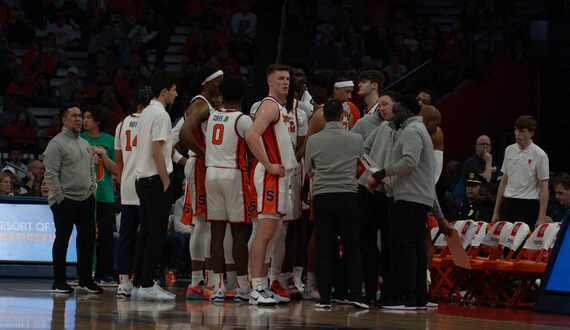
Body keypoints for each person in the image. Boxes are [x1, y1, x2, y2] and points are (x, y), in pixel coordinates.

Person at [366, 94, 436, 309]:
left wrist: (381, 174)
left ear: (407, 111)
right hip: (417, 195)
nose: (392, 115)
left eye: (396, 111)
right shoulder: (416, 129)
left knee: (403, 247)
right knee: (414, 246)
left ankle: (405, 297)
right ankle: (418, 297)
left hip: (409, 196)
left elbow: (410, 161)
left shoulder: (412, 130)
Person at [304, 100, 368, 309]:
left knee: (323, 246)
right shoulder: (356, 138)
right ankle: (356, 296)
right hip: (347, 194)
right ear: (344, 116)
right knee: (352, 246)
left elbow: (309, 169)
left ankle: (324, 299)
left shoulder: (313, 140)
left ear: (323, 117)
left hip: (322, 195)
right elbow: (361, 165)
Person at [245, 64, 297, 305]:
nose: (286, 82)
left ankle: (263, 285)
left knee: (272, 234)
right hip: (269, 176)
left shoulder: (280, 107)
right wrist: (267, 164)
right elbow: (251, 135)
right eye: (281, 79)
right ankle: (256, 287)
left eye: (287, 78)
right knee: (264, 233)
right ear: (270, 82)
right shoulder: (268, 105)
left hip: (279, 176)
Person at [43, 104, 101, 294]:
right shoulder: (56, 144)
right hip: (65, 200)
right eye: (74, 116)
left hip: (85, 198)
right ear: (64, 120)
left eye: (81, 116)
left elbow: (91, 171)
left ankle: (85, 280)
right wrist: (59, 197)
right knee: (62, 240)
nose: (79, 119)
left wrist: (93, 190)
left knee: (88, 239)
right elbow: (50, 174)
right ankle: (58, 282)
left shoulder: (84, 143)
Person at [204, 77, 252, 302]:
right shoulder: (242, 119)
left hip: (211, 172)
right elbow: (253, 148)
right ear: (242, 97)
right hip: (233, 173)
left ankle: (218, 286)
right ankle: (243, 287)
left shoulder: (212, 116)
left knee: (216, 235)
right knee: (239, 234)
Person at [132, 71, 177, 301]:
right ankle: (148, 283)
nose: (176, 94)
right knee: (156, 235)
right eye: (174, 89)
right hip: (155, 179)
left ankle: (139, 282)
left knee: (145, 233)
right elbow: (157, 149)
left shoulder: (146, 112)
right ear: (164, 91)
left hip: (141, 179)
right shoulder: (161, 115)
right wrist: (166, 179)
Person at [179, 65, 223, 300]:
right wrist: (204, 154)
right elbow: (184, 133)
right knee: (201, 222)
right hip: (199, 165)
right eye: (219, 80)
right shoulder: (200, 103)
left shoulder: (208, 104)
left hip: (204, 165)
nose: (223, 83)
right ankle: (196, 282)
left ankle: (204, 280)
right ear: (207, 83)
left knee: (207, 223)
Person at [353, 91, 397, 305]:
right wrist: (373, 174)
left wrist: (378, 176)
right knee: (367, 244)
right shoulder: (381, 127)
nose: (382, 108)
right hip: (370, 190)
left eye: (386, 105)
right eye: (380, 105)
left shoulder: (405, 130)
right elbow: (362, 150)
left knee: (388, 244)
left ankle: (386, 291)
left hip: (387, 192)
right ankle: (370, 291)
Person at [115, 86, 153, 298]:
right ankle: (143, 281)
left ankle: (124, 282)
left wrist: (122, 183)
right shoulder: (152, 121)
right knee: (147, 236)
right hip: (147, 183)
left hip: (128, 184)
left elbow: (119, 161)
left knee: (126, 235)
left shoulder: (122, 124)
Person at [80, 106, 117, 285]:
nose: (84, 120)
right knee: (85, 235)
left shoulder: (110, 141)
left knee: (106, 237)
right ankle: (85, 272)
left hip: (105, 194)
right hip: (84, 194)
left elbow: (116, 169)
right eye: (83, 117)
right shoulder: (79, 140)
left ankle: (106, 273)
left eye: (88, 117)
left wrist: (103, 155)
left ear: (98, 121)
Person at [491, 115, 549, 229]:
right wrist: (496, 211)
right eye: (516, 130)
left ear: (531, 133)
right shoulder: (509, 150)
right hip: (507, 203)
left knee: (521, 245)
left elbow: (544, 187)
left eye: (522, 131)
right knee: (504, 245)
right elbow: (504, 181)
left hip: (528, 205)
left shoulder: (540, 155)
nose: (517, 134)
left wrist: (541, 217)